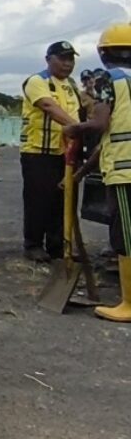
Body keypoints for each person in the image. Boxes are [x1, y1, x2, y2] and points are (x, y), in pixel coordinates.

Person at [63, 23, 131, 322]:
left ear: (104, 53)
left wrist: (74, 128)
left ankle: (129, 304)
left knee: (126, 236)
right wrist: (79, 175)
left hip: (125, 171)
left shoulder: (109, 78)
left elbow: (101, 125)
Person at [20, 41, 82, 262]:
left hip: (64, 153)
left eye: (71, 59)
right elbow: (48, 106)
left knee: (63, 201)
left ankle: (58, 246)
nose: (67, 64)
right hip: (39, 152)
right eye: (62, 58)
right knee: (39, 200)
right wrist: (77, 128)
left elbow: (86, 106)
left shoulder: (72, 85)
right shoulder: (38, 81)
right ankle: (33, 244)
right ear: (48, 59)